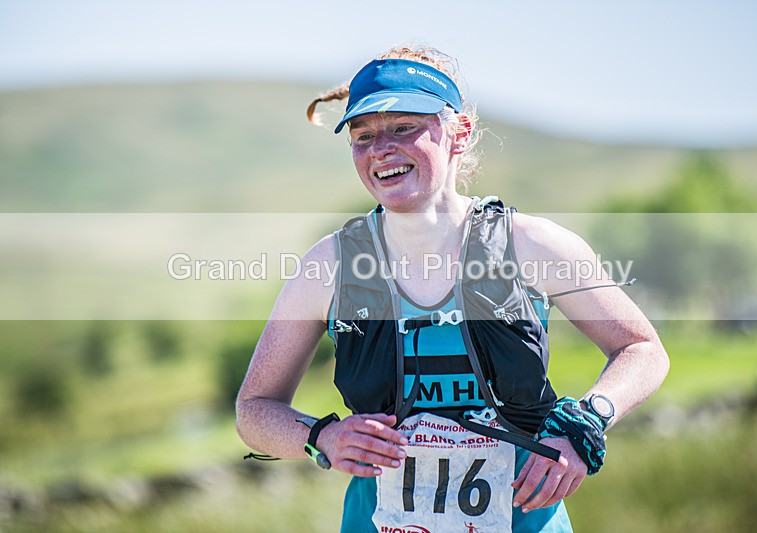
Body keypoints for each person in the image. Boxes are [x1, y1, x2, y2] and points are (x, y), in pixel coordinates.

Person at [236, 46, 669, 532]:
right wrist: (323, 437)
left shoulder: (529, 244)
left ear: (458, 133)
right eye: (363, 136)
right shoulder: (329, 265)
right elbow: (254, 411)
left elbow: (642, 348)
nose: (381, 149)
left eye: (403, 128)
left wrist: (589, 420)